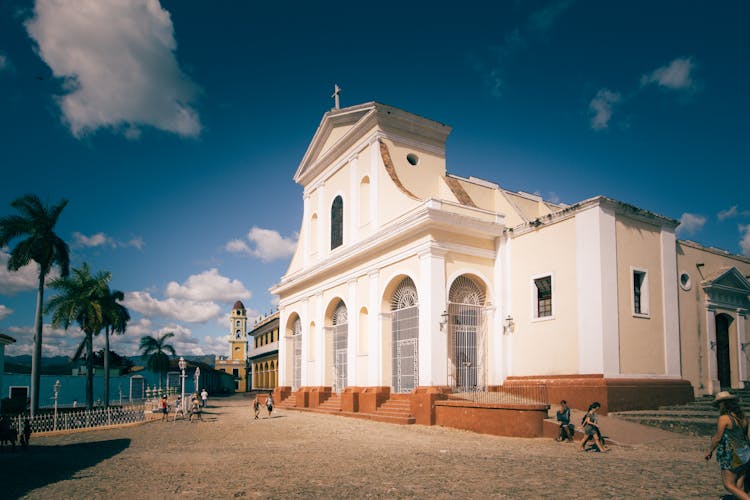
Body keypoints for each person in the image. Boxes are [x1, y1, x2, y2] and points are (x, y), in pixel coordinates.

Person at [705, 391, 750, 499]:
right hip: (746, 452)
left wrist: (709, 451)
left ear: (722, 404)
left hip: (732, 454)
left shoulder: (724, 418)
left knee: (728, 485)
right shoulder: (743, 417)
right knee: (739, 484)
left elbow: (717, 438)